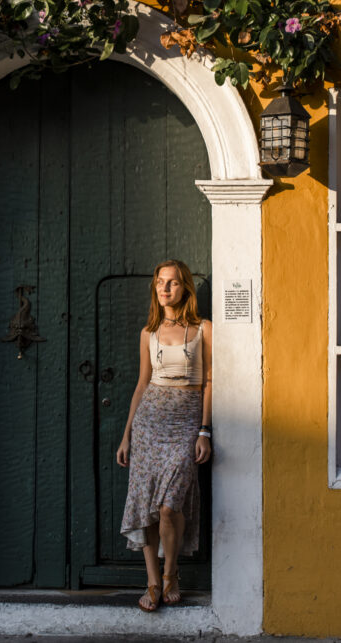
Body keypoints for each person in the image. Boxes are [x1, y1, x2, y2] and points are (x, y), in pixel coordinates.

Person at [116, 259, 212, 612]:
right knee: (146, 504)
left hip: (185, 421)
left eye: (172, 282)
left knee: (170, 507)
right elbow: (142, 384)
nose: (165, 288)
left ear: (184, 287)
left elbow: (209, 381)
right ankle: (153, 582)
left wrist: (204, 431)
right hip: (149, 423)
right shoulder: (148, 333)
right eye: (159, 282)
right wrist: (127, 435)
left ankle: (172, 574)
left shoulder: (203, 328)